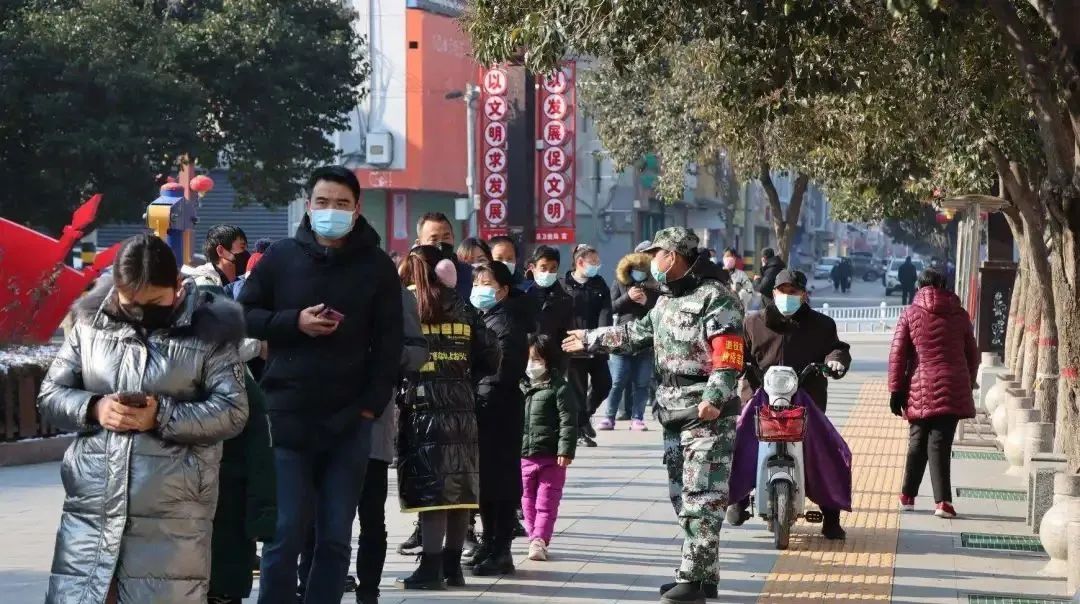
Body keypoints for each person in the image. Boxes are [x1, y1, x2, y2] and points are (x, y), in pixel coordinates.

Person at [37, 234, 249, 603]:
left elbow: (233, 411)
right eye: (131, 302)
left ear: (177, 286)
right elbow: (51, 395)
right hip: (92, 511)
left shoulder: (210, 334)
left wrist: (162, 415)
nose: (141, 312)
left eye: (153, 303)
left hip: (173, 514)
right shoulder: (90, 324)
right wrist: (95, 407)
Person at [240, 166, 403, 604]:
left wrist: (370, 406)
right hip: (288, 416)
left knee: (334, 537)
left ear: (357, 208)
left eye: (342, 203)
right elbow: (244, 314)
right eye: (324, 202)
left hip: (350, 421)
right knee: (285, 532)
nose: (332, 211)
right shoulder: (281, 257)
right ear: (309, 206)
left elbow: (390, 344)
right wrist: (293, 322)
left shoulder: (377, 267)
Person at [563, 227, 743, 604]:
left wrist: (714, 397)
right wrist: (591, 338)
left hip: (706, 413)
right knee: (682, 495)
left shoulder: (715, 297)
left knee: (702, 496)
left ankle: (691, 581)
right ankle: (705, 574)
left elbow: (728, 355)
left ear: (672, 255)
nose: (651, 262)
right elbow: (635, 334)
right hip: (672, 411)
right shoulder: (665, 301)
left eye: (656, 254)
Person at [297, 285, 429, 604]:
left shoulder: (395, 293)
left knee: (371, 516)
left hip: (372, 423)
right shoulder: (317, 279)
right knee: (315, 517)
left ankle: (368, 591)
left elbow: (418, 352)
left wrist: (382, 353)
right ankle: (309, 587)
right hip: (320, 421)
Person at [396, 245, 500, 589]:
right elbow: (491, 354)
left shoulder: (408, 303)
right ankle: (452, 570)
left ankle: (429, 570)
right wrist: (462, 377)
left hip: (422, 408)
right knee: (459, 490)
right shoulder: (462, 305)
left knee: (432, 493)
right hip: (462, 407)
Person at [739, 269, 852, 540]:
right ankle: (738, 500)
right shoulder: (752, 322)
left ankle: (831, 515)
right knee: (737, 440)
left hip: (806, 400)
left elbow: (837, 348)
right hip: (759, 397)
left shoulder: (822, 324)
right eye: (783, 291)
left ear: (804, 295)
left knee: (828, 451)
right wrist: (733, 366)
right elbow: (737, 352)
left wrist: (835, 361)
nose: (787, 296)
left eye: (794, 292)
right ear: (773, 293)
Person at [889, 268, 977, 519]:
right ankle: (943, 503)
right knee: (940, 442)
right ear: (944, 286)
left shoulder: (909, 314)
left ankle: (907, 496)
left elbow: (897, 354)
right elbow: (972, 355)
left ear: (919, 287)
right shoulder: (960, 315)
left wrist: (895, 390)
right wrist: (967, 382)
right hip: (952, 385)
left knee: (917, 441)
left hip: (919, 386)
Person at [466, 263, 529, 576]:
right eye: (476, 282)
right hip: (486, 406)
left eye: (486, 283)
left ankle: (501, 549)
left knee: (500, 482)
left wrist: (474, 379)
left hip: (499, 409)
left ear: (503, 290)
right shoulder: (485, 317)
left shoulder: (505, 321)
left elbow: (503, 370)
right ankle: (489, 542)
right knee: (487, 482)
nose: (480, 288)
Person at [521, 334, 579, 561]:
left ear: (548, 360)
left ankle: (540, 539)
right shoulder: (521, 386)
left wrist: (565, 450)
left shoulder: (560, 388)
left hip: (551, 457)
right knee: (527, 499)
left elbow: (568, 421)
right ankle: (533, 536)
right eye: (529, 359)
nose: (531, 365)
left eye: (536, 359)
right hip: (525, 455)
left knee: (546, 501)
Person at [602, 246, 660, 430]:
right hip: (622, 336)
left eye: (643, 270)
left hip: (645, 339)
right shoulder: (619, 283)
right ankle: (609, 416)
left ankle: (637, 417)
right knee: (617, 380)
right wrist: (627, 297)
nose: (639, 273)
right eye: (636, 269)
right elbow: (610, 307)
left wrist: (647, 301)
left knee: (642, 382)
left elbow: (660, 309)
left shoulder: (654, 286)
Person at [563, 244, 613, 446]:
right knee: (577, 390)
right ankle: (579, 431)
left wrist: (601, 337)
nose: (597, 265)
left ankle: (585, 415)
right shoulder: (564, 285)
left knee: (604, 384)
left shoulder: (599, 284)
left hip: (595, 344)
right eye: (593, 261)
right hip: (573, 346)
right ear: (580, 262)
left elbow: (606, 312)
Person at [522, 245, 574, 343]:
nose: (548, 273)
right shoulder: (522, 296)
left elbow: (567, 334)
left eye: (553, 268)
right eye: (543, 268)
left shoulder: (565, 299)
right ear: (532, 268)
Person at [416, 212, 472, 299]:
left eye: (446, 238)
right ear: (419, 244)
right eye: (434, 239)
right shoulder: (412, 276)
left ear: (453, 238)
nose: (441, 244)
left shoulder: (469, 274)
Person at [185, 223, 250, 286]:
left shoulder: (242, 282)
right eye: (242, 247)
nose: (245, 253)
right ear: (220, 251)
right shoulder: (205, 283)